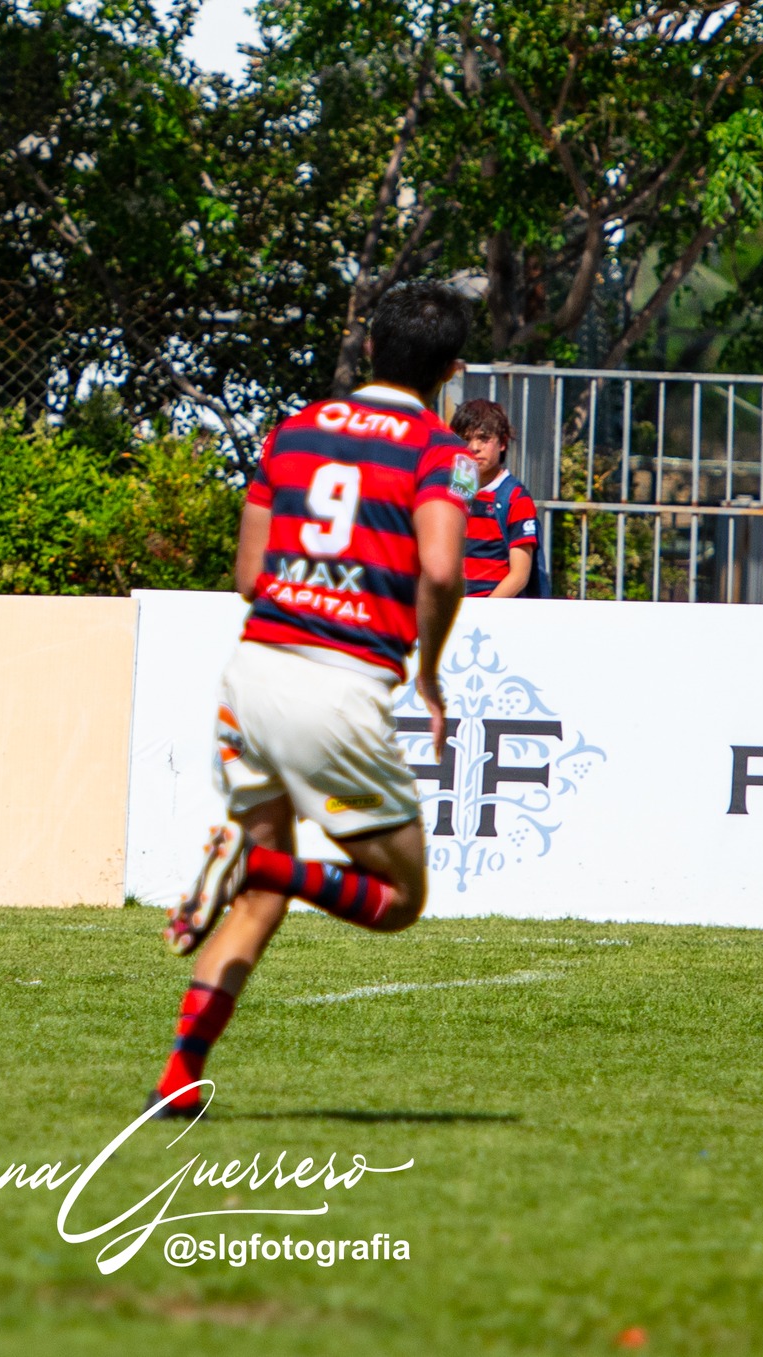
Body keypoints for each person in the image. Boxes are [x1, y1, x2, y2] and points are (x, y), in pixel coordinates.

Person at [150, 281, 477, 1116]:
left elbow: (248, 576)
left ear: (368, 348)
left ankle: (180, 1073)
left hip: (253, 674)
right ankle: (262, 863)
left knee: (260, 901)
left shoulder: (291, 431)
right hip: (338, 685)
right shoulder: (440, 452)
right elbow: (443, 569)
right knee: (399, 900)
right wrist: (429, 670)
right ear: (451, 371)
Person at [452, 398, 543, 598]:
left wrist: (485, 610)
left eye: (483, 439)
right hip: (453, 610)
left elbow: (519, 575)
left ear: (502, 443)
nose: (474, 447)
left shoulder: (514, 498)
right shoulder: (450, 493)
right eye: (466, 439)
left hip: (493, 612)